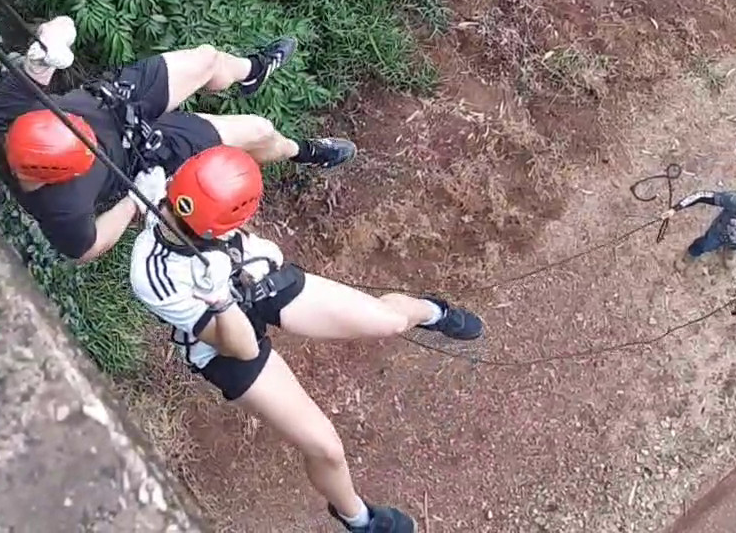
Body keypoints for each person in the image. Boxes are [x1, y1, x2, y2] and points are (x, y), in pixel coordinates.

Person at [130, 144, 485, 533]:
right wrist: (218, 302)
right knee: (325, 447)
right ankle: (359, 519)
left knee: (388, 322)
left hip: (259, 280)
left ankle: (432, 312)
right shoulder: (154, 275)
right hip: (219, 338)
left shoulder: (185, 182)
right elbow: (242, 347)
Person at [0, 16, 355, 262]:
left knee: (208, 59)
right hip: (142, 152)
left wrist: (48, 46)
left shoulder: (8, 115)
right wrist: (134, 201)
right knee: (258, 130)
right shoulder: (61, 213)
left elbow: (52, 40)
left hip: (115, 99)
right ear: (58, 175)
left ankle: (252, 72)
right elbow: (88, 248)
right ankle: (302, 151)